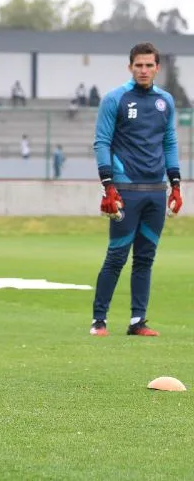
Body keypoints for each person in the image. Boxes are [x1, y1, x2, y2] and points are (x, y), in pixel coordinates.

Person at [90, 42, 182, 337]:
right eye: (138, 65)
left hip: (156, 190)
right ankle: (99, 321)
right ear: (130, 67)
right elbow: (102, 142)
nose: (144, 70)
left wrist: (176, 185)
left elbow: (169, 143)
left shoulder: (165, 101)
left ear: (158, 67)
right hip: (125, 190)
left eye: (149, 65)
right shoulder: (115, 99)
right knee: (116, 256)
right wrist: (108, 186)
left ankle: (137, 321)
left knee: (145, 258)